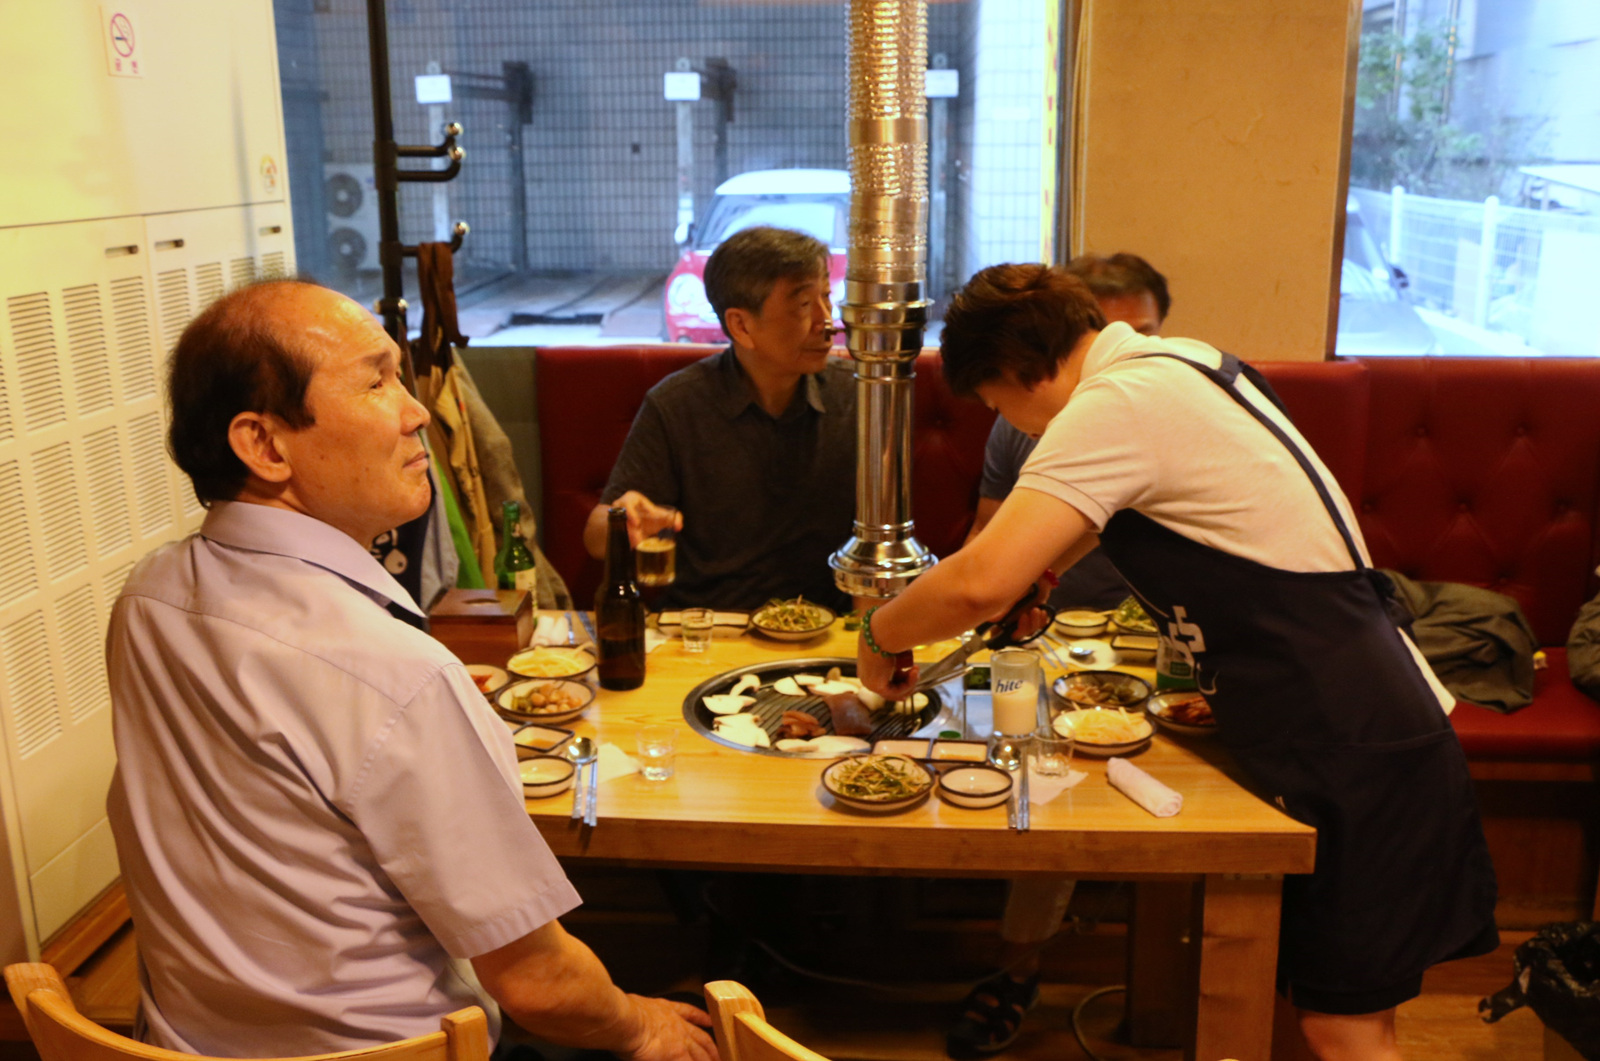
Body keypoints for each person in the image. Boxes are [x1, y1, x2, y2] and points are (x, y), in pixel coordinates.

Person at [859, 264, 1498, 1061]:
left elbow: (977, 582)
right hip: (1356, 716)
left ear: (1024, 373)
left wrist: (881, 633)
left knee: (1345, 1028)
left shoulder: (1116, 403)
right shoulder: (1182, 363)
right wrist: (1044, 575)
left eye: (996, 404)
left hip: (1353, 738)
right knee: (1331, 1011)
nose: (1007, 423)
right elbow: (1116, 518)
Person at [106, 280, 718, 1061]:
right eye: (376, 382)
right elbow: (536, 983)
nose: (418, 411)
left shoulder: (147, 597)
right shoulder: (393, 671)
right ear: (265, 445)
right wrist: (642, 1023)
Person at [941, 253, 1171, 1059]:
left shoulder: (1148, 401)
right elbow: (988, 545)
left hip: (1155, 637)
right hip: (1055, 632)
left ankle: (1146, 979)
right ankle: (1018, 963)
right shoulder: (1024, 423)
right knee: (1032, 759)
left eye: (1140, 330)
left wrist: (883, 634)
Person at [583, 225, 853, 611]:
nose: (827, 321)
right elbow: (595, 538)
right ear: (741, 325)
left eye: (827, 297)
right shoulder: (678, 404)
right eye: (804, 304)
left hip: (824, 626)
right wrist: (622, 521)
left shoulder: (857, 397)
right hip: (706, 624)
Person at [966, 253, 1170, 612]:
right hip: (1046, 618)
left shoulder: (1167, 412)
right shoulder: (1020, 419)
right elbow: (987, 534)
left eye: (1141, 335)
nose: (1123, 354)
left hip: (1147, 623)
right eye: (1106, 337)